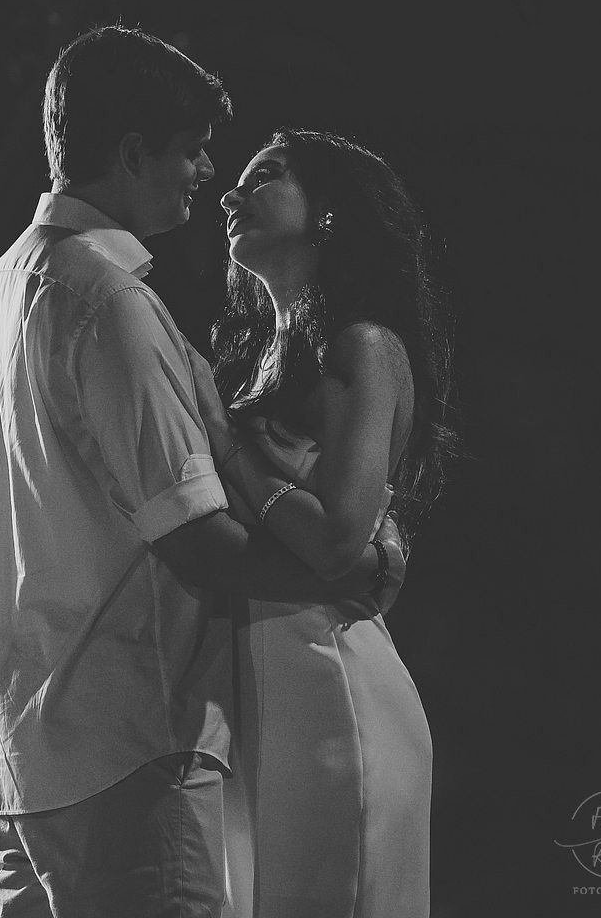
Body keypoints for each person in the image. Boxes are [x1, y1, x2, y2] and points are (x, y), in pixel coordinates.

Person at [0, 28, 407, 918]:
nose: (209, 175)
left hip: (21, 747)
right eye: (192, 150)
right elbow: (198, 543)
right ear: (131, 153)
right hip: (129, 737)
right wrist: (348, 575)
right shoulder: (111, 300)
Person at [203, 126, 454, 918]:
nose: (231, 194)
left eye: (267, 175)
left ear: (329, 212)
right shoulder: (256, 361)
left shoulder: (364, 345)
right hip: (259, 685)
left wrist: (227, 441)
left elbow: (340, 540)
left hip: (328, 682)